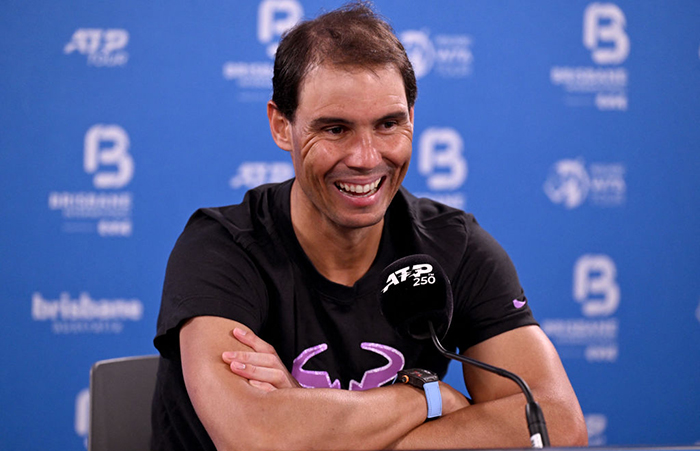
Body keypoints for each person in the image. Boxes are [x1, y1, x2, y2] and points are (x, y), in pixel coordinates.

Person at [151, 2, 587, 450]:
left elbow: (555, 424)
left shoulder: (454, 245)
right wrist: (424, 396)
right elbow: (256, 438)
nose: (365, 157)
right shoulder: (221, 247)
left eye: (388, 124)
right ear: (282, 126)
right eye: (336, 129)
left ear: (412, 119)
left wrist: (310, 420)